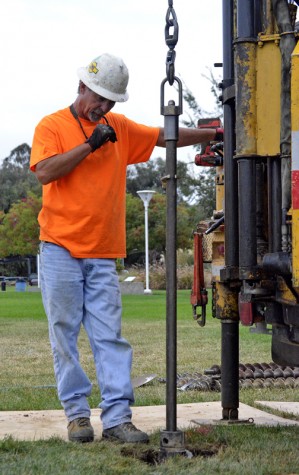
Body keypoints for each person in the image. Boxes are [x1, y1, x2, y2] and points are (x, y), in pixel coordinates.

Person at [30, 53, 223, 444]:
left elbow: (162, 136)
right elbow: (45, 171)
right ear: (82, 86)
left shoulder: (116, 126)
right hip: (59, 249)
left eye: (111, 101)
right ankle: (77, 417)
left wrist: (215, 134)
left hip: (102, 253)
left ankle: (118, 419)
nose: (104, 107)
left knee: (110, 338)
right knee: (64, 335)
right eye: (99, 98)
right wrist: (90, 145)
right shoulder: (51, 126)